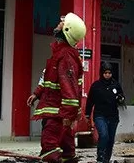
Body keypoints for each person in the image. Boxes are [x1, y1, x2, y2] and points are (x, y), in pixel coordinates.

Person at [27, 13, 87, 163]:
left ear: (66, 30)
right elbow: (49, 78)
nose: (59, 23)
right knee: (67, 151)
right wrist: (37, 93)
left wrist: (67, 115)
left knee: (49, 149)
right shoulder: (60, 53)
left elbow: (70, 89)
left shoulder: (65, 56)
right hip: (59, 113)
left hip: (57, 114)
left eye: (62, 22)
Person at [85, 62, 125, 163]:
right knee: (104, 135)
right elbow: (90, 101)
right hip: (100, 115)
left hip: (113, 117)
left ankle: (106, 159)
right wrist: (87, 114)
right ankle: (100, 157)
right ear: (101, 73)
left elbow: (122, 98)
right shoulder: (96, 86)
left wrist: (120, 99)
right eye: (105, 73)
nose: (107, 75)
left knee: (110, 139)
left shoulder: (116, 85)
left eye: (109, 73)